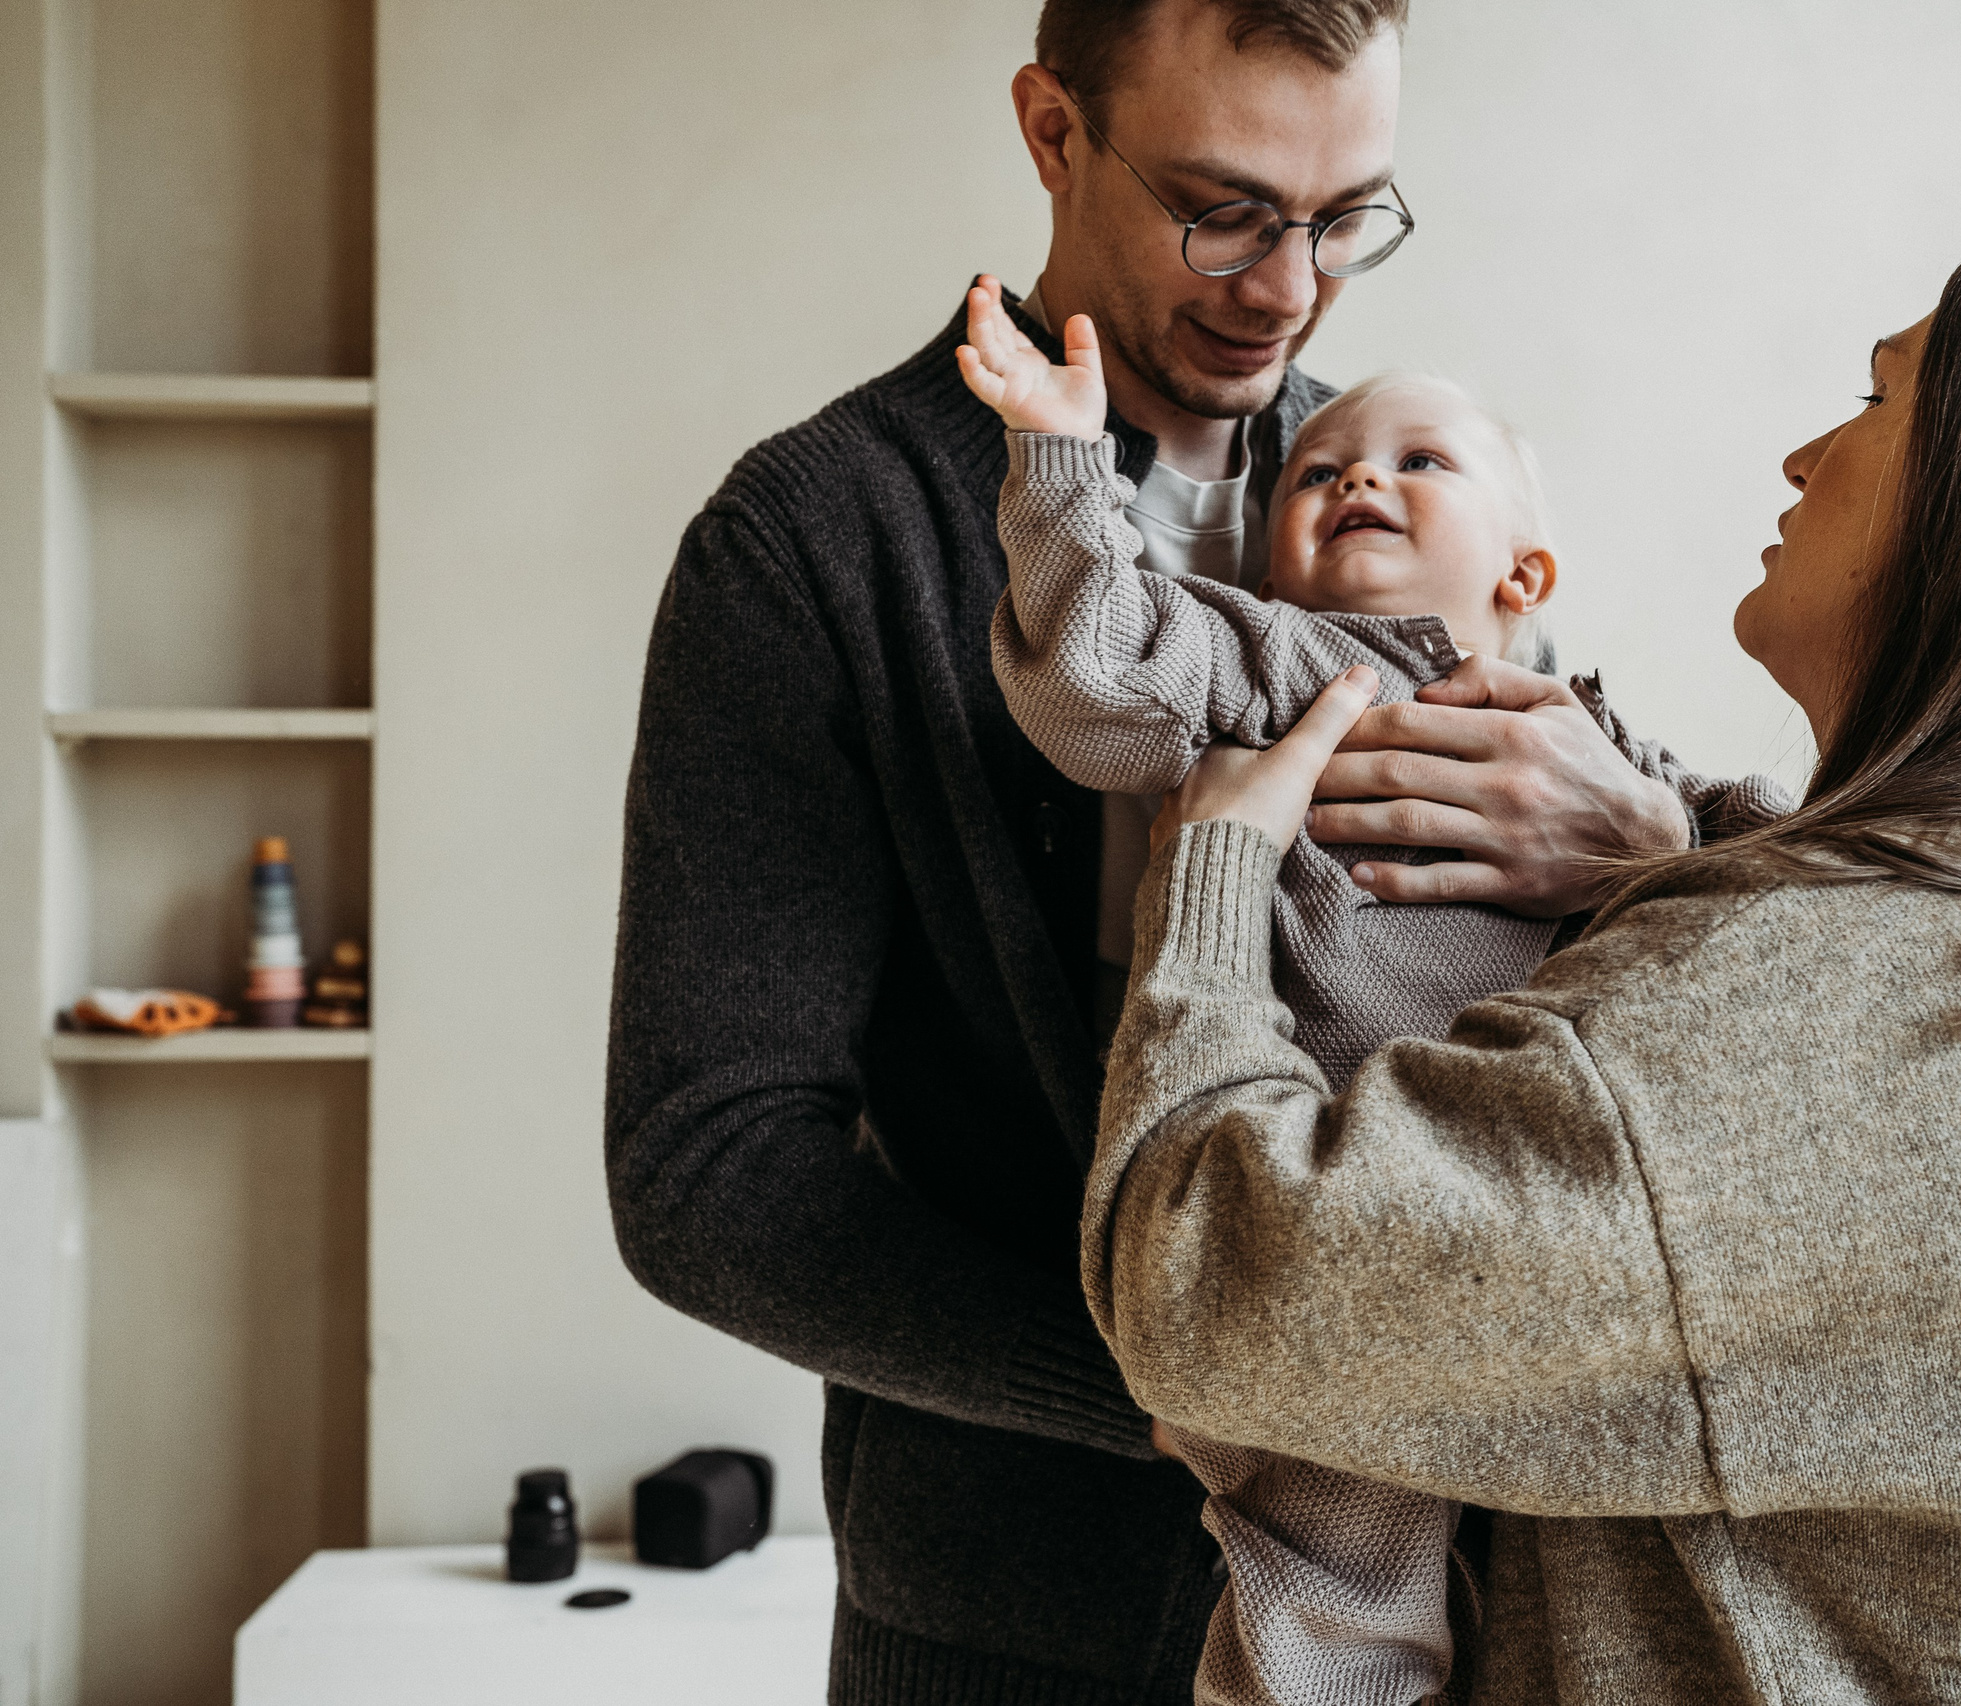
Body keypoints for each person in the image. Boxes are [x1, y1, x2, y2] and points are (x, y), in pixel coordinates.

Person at [1082, 230, 1961, 1702]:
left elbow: (1208, 1284)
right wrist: (1674, 848)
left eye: (1871, 402)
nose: (1801, 456)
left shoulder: (1841, 1023)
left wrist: (1210, 870)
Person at [605, 3, 1692, 1701]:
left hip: (1460, 1604)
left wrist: (1650, 845)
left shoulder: (1408, 487)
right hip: (997, 1627)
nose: (1289, 288)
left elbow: (1574, 981)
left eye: (1347, 219)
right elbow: (708, 1174)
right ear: (1052, 132)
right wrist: (1199, 1366)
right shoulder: (812, 540)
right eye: (1226, 208)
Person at [960, 286, 1782, 1705]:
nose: (1357, 479)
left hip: (1528, 1228)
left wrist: (1687, 821)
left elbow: (1782, 861)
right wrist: (1062, 467)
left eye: (1419, 461)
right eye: (1321, 473)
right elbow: (1094, 672)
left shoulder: (1593, 737)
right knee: (1337, 1588)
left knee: (1579, 1584)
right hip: (1324, 1233)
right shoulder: (1268, 664)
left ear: (1525, 579)